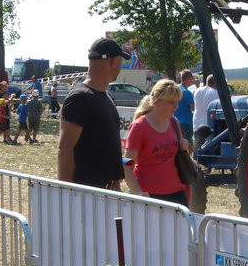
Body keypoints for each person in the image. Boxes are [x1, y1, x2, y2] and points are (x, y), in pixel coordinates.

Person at [58, 37, 130, 189]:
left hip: (105, 191)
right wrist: (66, 193)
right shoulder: (80, 97)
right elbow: (65, 148)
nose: (120, 67)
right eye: (120, 61)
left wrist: (115, 183)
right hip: (86, 193)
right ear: (113, 61)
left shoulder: (105, 96)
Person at [123, 79, 190, 205]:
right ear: (156, 101)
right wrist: (139, 194)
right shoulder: (139, 127)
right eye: (171, 102)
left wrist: (185, 147)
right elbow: (127, 168)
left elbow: (179, 158)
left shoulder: (174, 122)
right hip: (148, 195)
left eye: (177, 102)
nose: (176, 107)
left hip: (176, 193)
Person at [193, 74, 218, 150]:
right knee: (208, 150)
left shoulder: (197, 91)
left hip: (197, 123)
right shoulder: (215, 93)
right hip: (208, 126)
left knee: (197, 149)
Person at [175, 69, 195, 147]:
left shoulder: (176, 88)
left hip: (175, 121)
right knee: (188, 146)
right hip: (186, 122)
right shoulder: (187, 92)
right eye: (191, 79)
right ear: (189, 79)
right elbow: (194, 108)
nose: (192, 81)